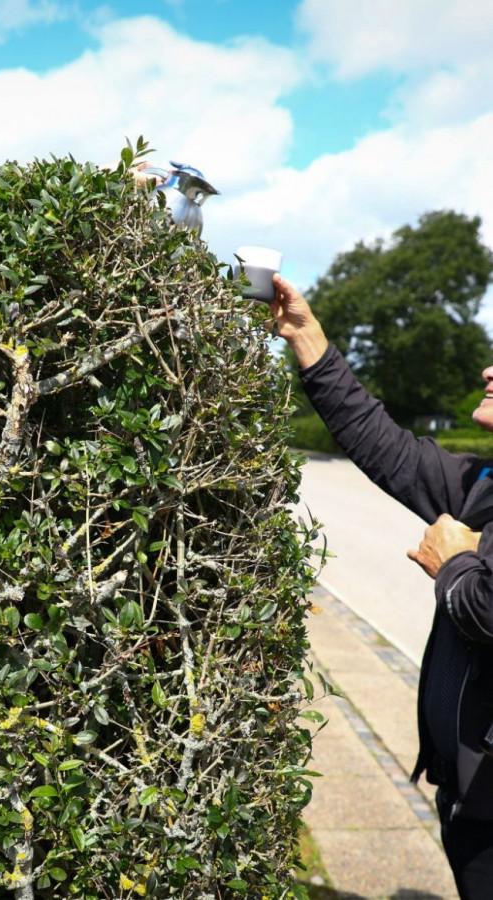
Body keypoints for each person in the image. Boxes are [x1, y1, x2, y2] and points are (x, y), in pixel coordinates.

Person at [271, 272, 493, 899]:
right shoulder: (485, 480)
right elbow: (385, 446)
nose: (487, 370)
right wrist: (307, 338)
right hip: (467, 790)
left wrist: (453, 564)